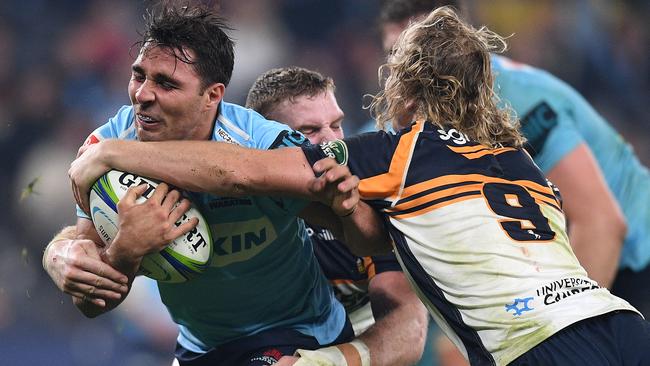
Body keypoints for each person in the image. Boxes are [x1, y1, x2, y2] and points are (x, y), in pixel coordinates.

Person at [67, 7, 650, 366]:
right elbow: (375, 239)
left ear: (405, 96)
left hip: (535, 344)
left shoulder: (390, 152)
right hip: (621, 319)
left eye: (335, 127)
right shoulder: (517, 159)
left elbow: (241, 170)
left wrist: (107, 154)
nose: (330, 137)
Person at [41, 4, 384, 365]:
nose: (142, 94)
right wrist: (126, 250)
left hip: (298, 333)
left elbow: (370, 239)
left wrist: (349, 210)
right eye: (139, 75)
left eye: (166, 83)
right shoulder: (108, 142)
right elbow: (92, 306)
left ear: (212, 96)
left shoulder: (258, 140)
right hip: (200, 347)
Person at [376, 1, 650, 317]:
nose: (407, 72)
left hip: (632, 264)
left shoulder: (519, 100)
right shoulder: (414, 115)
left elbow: (600, 225)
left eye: (422, 53)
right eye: (395, 57)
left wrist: (558, 333)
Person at [245, 66, 428, 365]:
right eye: (310, 131)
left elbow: (407, 323)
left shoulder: (371, 188)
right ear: (266, 139)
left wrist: (324, 363)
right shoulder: (234, 200)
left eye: (336, 125)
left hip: (358, 346)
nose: (333, 143)